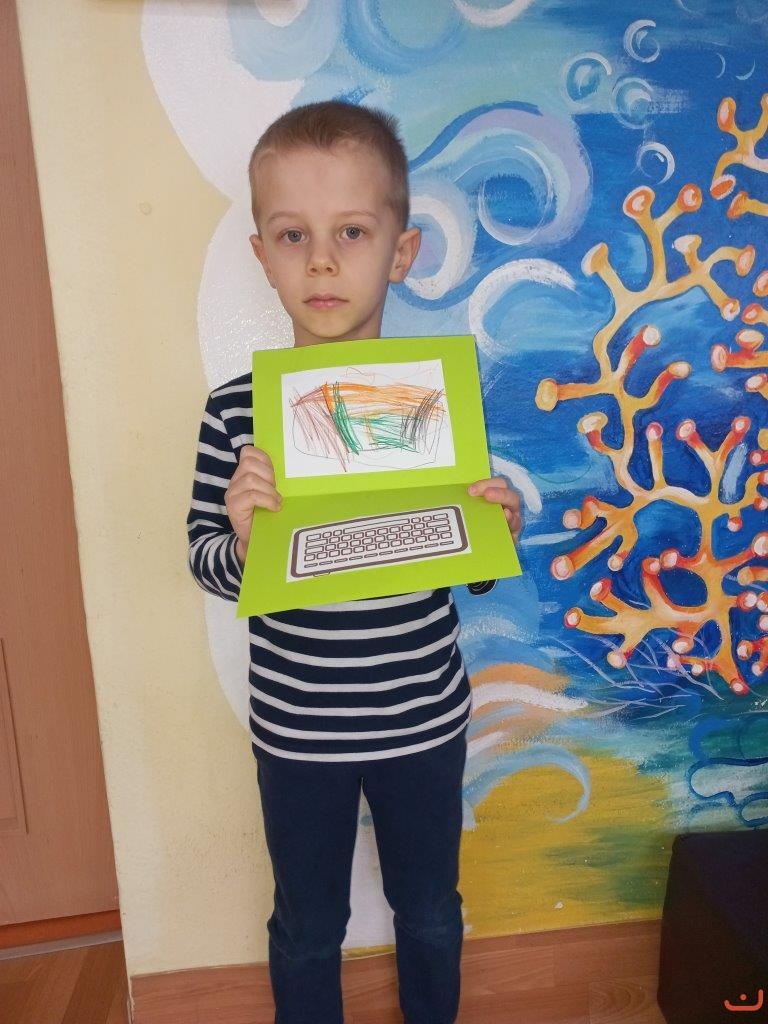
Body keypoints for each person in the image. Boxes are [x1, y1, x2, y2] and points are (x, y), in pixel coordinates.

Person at [186, 100, 523, 1024]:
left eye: (352, 233)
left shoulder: (436, 400)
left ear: (401, 253)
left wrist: (495, 526)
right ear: (262, 255)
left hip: (423, 717)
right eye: (293, 235)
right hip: (299, 730)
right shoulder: (235, 413)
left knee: (430, 909)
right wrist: (243, 535)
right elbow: (205, 561)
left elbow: (467, 564)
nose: (323, 262)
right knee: (307, 926)